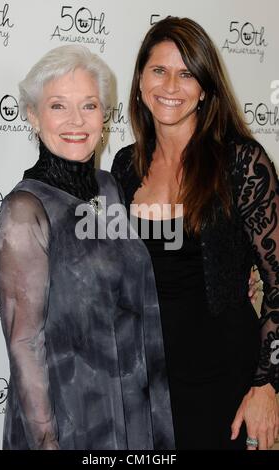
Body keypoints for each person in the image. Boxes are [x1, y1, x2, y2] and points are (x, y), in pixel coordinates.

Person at [0, 45, 175, 450]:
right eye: (59, 106)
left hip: (131, 408)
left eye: (89, 105)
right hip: (69, 421)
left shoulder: (110, 187)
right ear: (33, 116)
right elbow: (24, 345)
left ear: (103, 117)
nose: (76, 121)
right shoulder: (25, 211)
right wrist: (46, 442)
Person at [111, 17, 279, 450]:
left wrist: (268, 386)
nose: (171, 84)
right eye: (159, 70)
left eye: (187, 73)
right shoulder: (125, 167)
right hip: (146, 383)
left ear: (205, 88)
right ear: (140, 81)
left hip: (224, 382)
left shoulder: (241, 162)